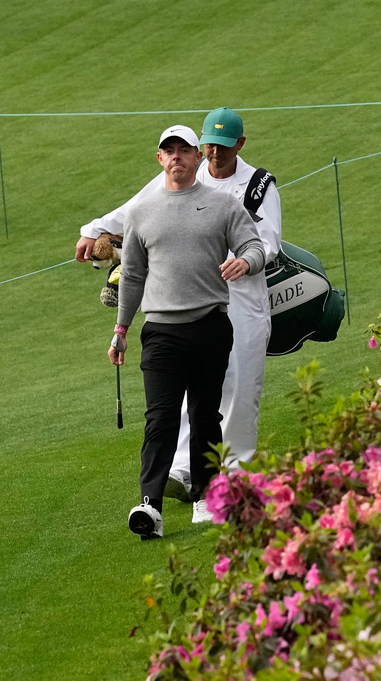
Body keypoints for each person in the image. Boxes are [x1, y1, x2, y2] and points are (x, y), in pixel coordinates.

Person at [77, 108, 281, 501]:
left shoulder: (258, 185)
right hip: (190, 296)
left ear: (239, 144)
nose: (215, 155)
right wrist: (96, 229)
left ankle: (233, 475)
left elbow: (267, 240)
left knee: (238, 386)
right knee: (191, 389)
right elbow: (138, 208)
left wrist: (246, 260)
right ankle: (183, 470)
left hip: (243, 297)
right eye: (210, 146)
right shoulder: (185, 170)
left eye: (222, 147)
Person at [109, 125, 265, 540]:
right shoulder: (142, 211)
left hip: (211, 326)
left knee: (204, 414)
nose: (176, 156)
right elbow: (133, 275)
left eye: (184, 150)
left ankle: (205, 497)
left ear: (198, 158)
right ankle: (150, 504)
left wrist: (245, 263)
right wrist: (122, 328)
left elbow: (255, 246)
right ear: (159, 158)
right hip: (160, 331)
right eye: (169, 151)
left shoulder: (221, 205)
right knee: (159, 418)